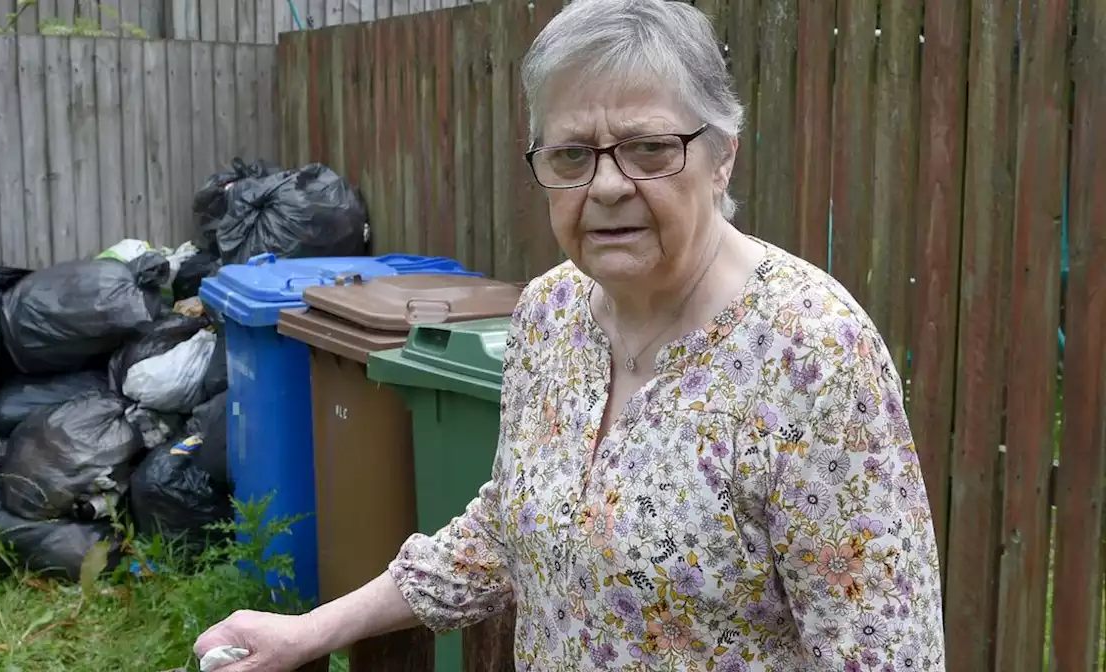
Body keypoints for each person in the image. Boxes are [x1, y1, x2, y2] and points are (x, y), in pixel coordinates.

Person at [194, 0, 947, 669]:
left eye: (650, 148)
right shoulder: (549, 313)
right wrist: (310, 630)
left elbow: (883, 652)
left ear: (723, 158)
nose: (608, 185)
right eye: (572, 154)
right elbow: (505, 528)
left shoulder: (812, 354)